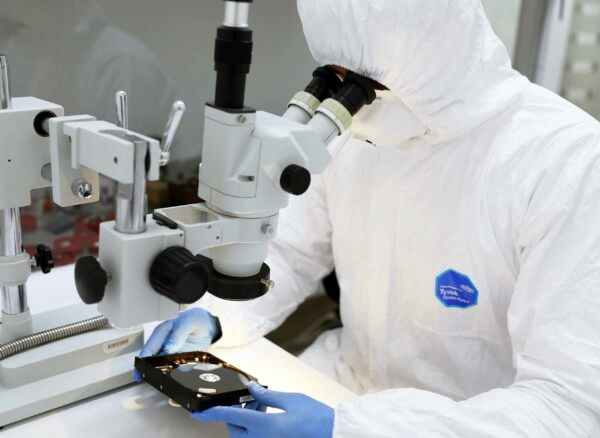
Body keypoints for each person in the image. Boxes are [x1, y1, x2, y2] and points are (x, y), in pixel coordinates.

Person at [141, 0, 600, 436]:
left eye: (366, 85)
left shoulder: (568, 162)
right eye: (334, 77)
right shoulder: (356, 131)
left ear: (437, 50)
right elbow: (286, 249)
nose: (349, 105)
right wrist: (214, 313)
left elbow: (567, 406)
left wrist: (355, 431)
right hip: (340, 386)